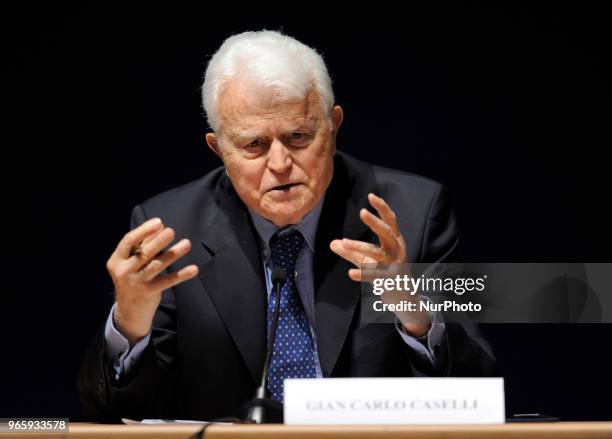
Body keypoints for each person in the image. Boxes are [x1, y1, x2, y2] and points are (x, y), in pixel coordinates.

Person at [78, 30, 495, 421]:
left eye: (298, 136)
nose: (279, 165)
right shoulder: (169, 229)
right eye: (253, 145)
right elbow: (117, 413)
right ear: (219, 149)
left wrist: (413, 311)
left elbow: (478, 384)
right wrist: (130, 325)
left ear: (332, 127)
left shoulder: (414, 212)